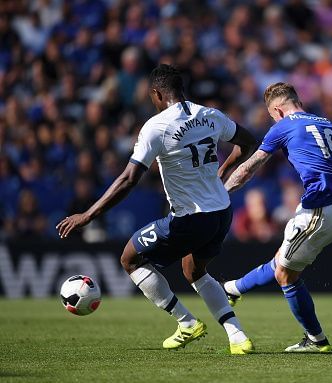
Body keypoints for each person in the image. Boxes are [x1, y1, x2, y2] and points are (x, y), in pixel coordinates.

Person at [56, 64, 258, 354]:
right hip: (222, 213)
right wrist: (223, 171)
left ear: (157, 93)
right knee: (194, 270)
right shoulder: (210, 115)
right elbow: (248, 142)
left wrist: (88, 215)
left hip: (190, 218)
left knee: (130, 258)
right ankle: (238, 337)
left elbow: (128, 179)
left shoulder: (157, 126)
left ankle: (186, 322)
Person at [221, 82, 332, 352]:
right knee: (284, 264)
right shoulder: (331, 125)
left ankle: (316, 339)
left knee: (284, 273)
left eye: (272, 116)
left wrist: (221, 193)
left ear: (278, 111)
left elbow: (249, 168)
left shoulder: (283, 126)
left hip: (318, 207)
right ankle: (233, 288)